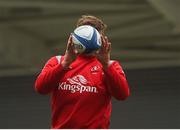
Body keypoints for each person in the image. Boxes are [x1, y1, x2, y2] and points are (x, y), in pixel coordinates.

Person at [35, 15, 130, 129]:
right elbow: (40, 88)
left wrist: (106, 64)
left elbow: (122, 95)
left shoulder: (110, 66)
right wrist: (65, 64)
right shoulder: (58, 61)